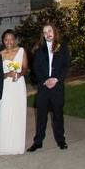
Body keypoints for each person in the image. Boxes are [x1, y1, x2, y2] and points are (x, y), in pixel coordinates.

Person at [29, 24, 70, 152]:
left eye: (50, 31)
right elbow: (36, 68)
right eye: (45, 32)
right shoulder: (39, 49)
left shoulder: (62, 47)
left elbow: (66, 66)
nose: (48, 34)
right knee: (41, 116)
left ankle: (61, 140)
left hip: (57, 87)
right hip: (44, 87)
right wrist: (46, 80)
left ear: (54, 31)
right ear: (43, 35)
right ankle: (38, 142)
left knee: (58, 115)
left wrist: (56, 79)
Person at [0, 29, 28, 156]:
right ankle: (4, 145)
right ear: (3, 41)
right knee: (4, 113)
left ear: (15, 40)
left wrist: (19, 74)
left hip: (19, 85)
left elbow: (25, 68)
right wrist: (8, 74)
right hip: (6, 87)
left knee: (18, 113)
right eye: (6, 39)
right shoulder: (0, 54)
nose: (9, 42)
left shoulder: (21, 51)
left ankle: (17, 144)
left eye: (11, 39)